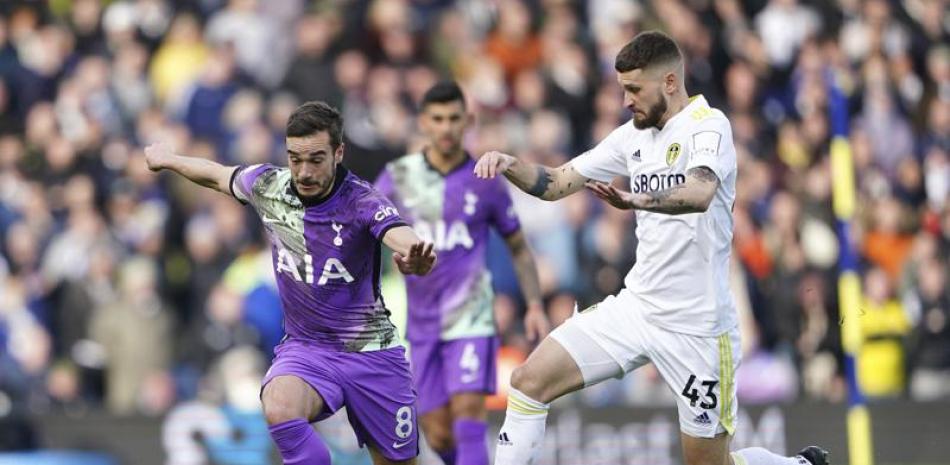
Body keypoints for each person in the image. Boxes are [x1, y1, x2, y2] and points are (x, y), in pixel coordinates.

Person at [475, 31, 830, 465]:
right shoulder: (632, 137)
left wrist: (635, 200)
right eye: (622, 89)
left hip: (698, 326)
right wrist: (511, 164)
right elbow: (557, 182)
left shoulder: (709, 126)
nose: (626, 100)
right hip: (637, 309)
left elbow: (700, 191)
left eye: (633, 89)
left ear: (668, 82)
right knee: (529, 381)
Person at [144, 101, 435, 465]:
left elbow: (397, 232)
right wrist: (170, 160)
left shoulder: (361, 201)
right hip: (308, 349)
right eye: (295, 158)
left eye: (316, 159)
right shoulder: (269, 186)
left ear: (338, 152)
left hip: (371, 354)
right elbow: (217, 175)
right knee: (279, 405)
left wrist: (416, 255)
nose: (303, 170)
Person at [375, 82, 550, 465]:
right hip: (420, 323)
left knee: (468, 414)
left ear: (468, 121)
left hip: (472, 315)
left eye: (455, 118)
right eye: (437, 119)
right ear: (423, 122)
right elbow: (367, 234)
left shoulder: (485, 180)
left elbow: (518, 247)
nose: (446, 128)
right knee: (436, 429)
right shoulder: (396, 178)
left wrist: (534, 304)